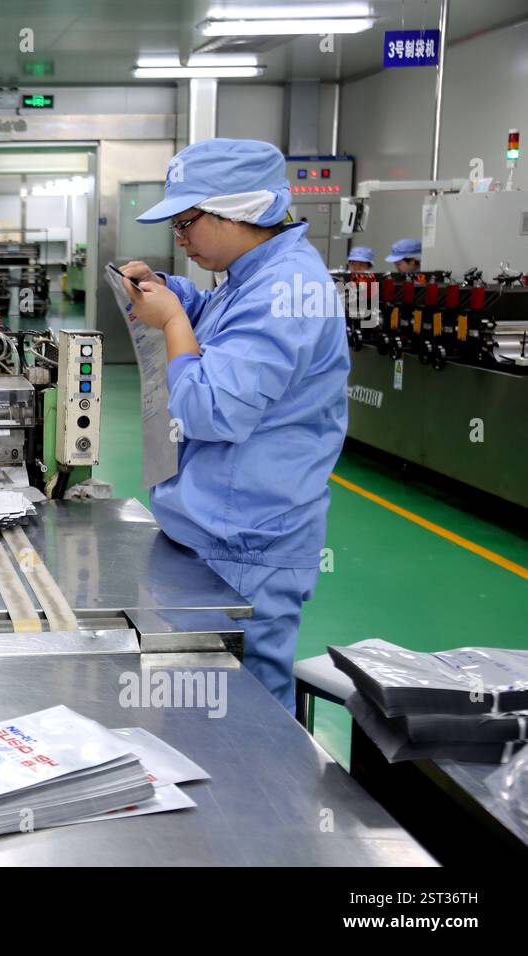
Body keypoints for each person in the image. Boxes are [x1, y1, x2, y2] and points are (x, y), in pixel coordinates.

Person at [118, 138, 350, 713]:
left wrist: (169, 320)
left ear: (240, 211)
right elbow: (220, 326)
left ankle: (270, 801)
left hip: (249, 540)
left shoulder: (283, 291)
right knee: (207, 701)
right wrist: (177, 296)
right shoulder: (255, 274)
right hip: (218, 529)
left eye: (187, 220)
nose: (180, 235)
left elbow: (211, 408)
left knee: (248, 710)